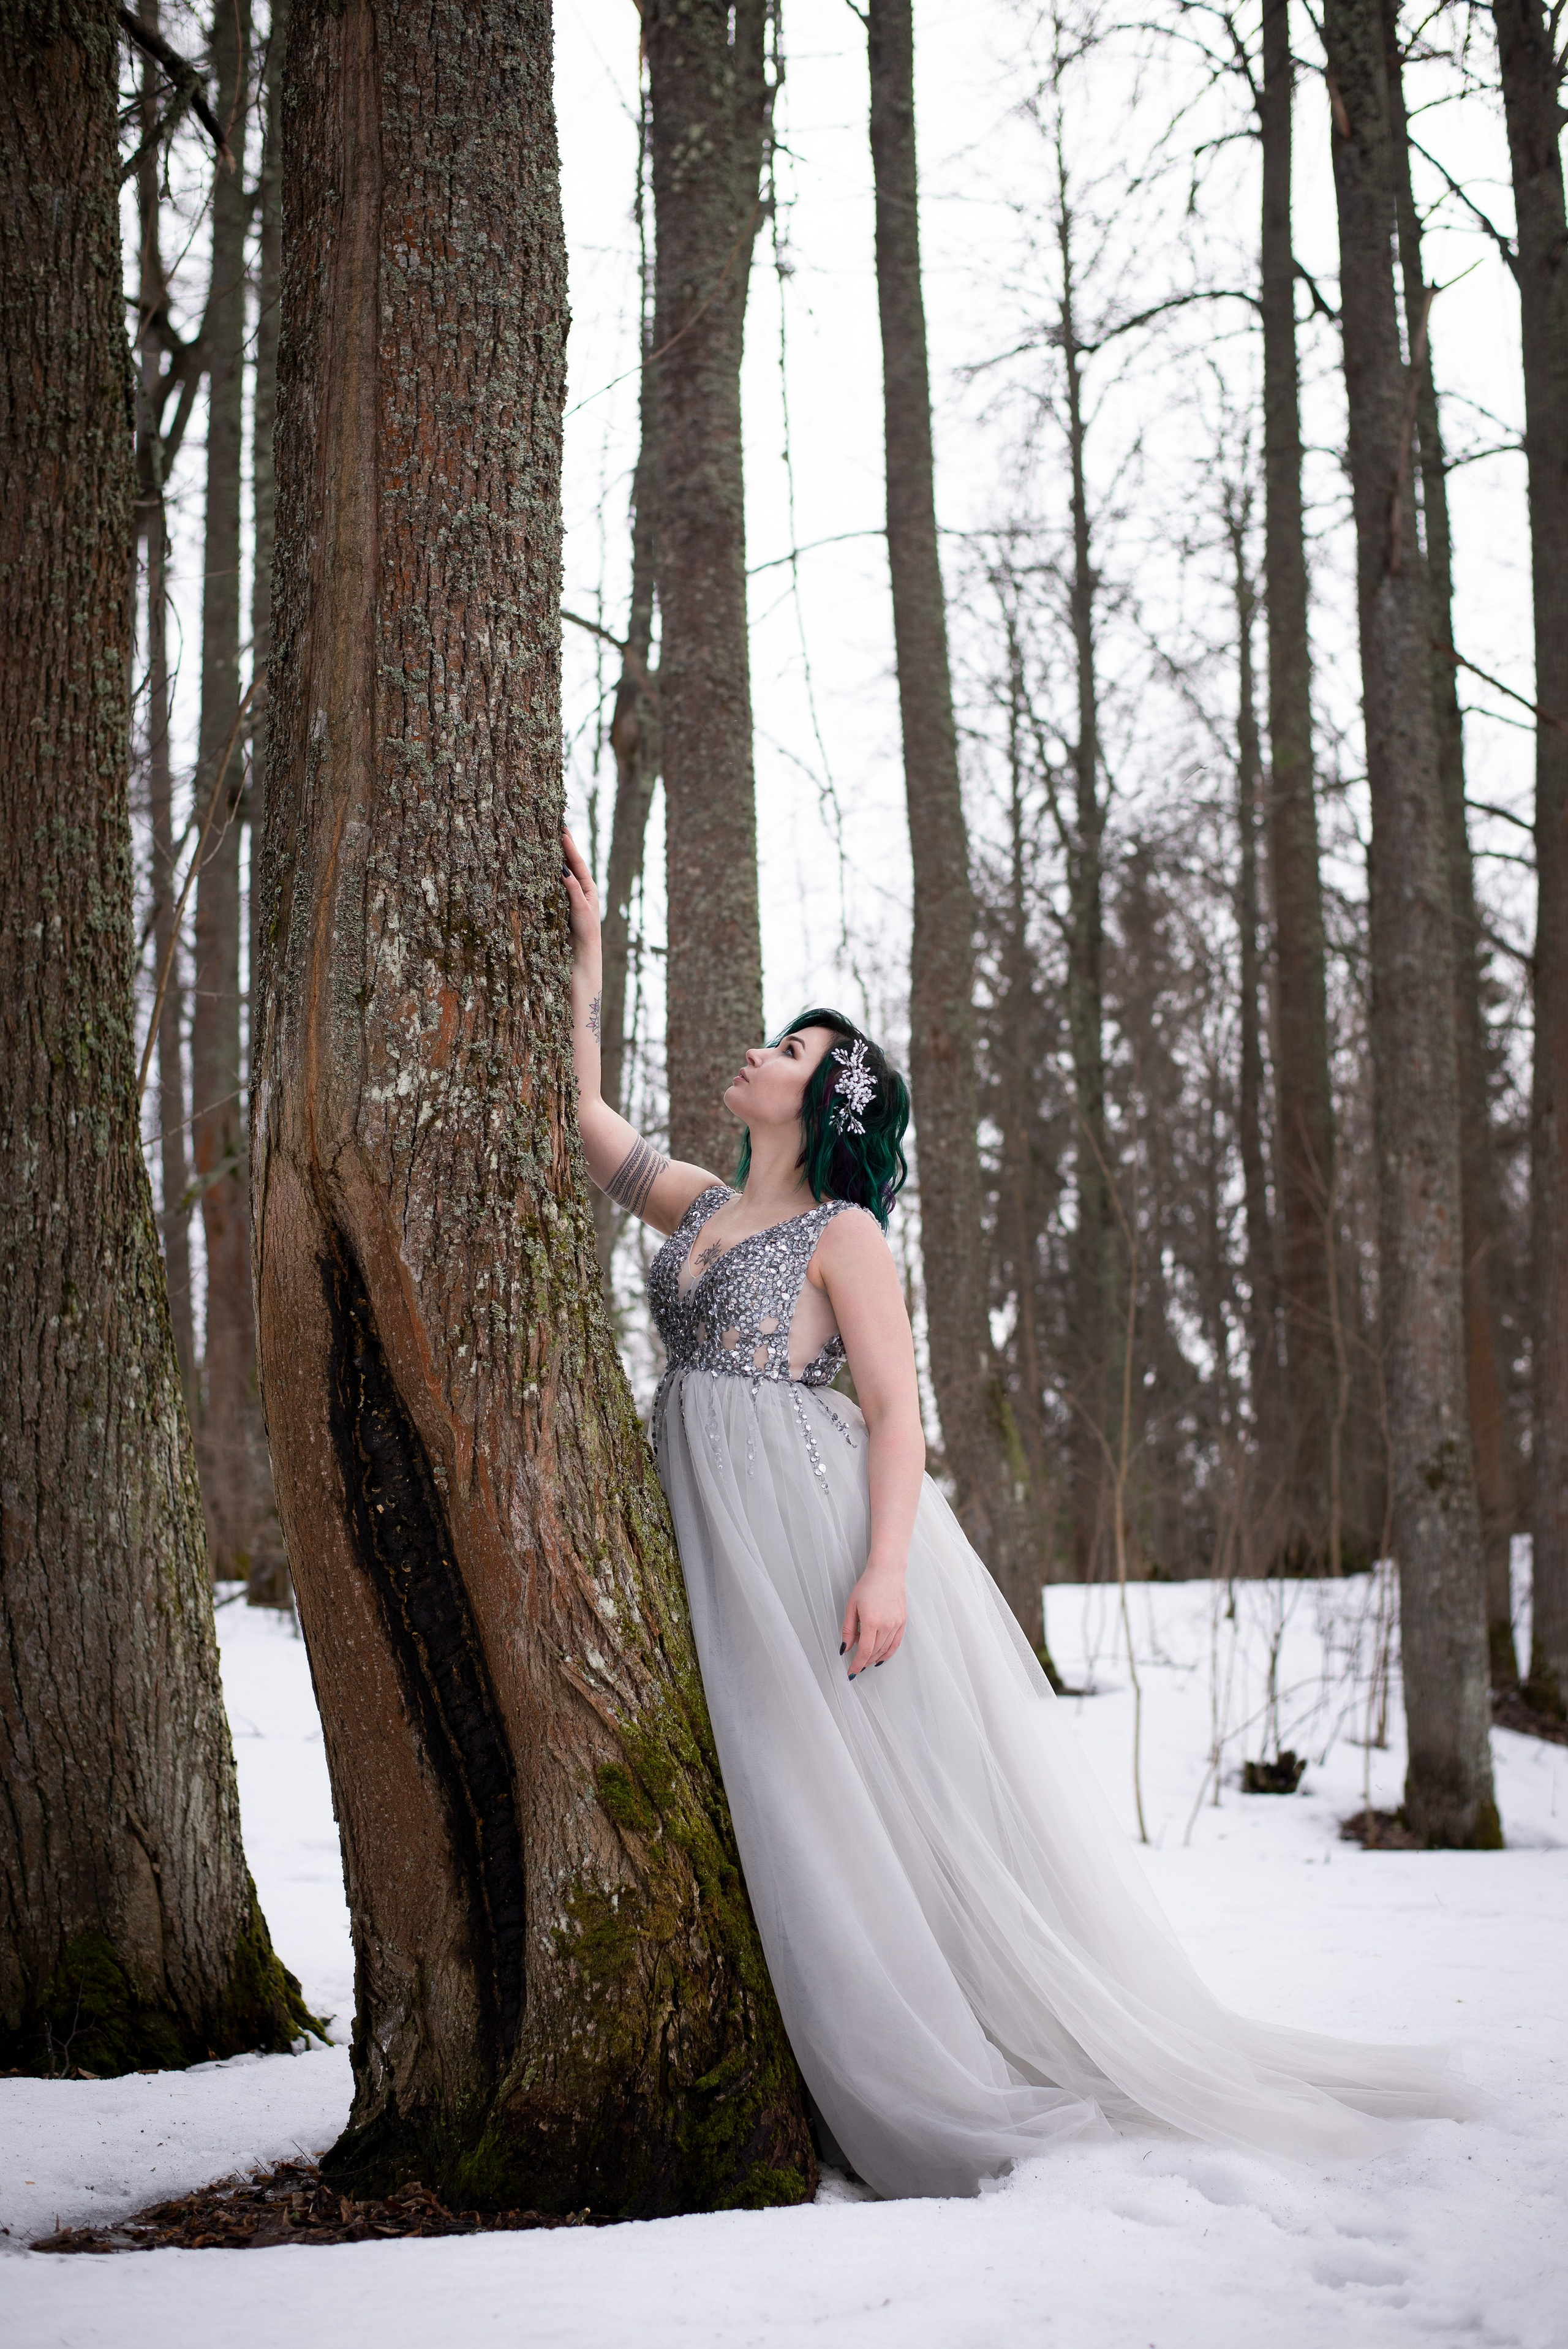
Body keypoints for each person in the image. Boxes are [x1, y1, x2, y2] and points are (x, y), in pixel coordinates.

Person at [562, 829, 1476, 2201]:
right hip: (698, 1515)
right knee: (749, 1781)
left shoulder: (842, 1239)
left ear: (824, 1104)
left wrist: (884, 1569)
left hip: (801, 1535)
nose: (756, 1053)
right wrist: (582, 970)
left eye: (789, 1050)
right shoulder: (699, 1208)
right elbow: (592, 1134)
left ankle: (903, 2057)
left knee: (830, 1799)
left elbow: (894, 1414)